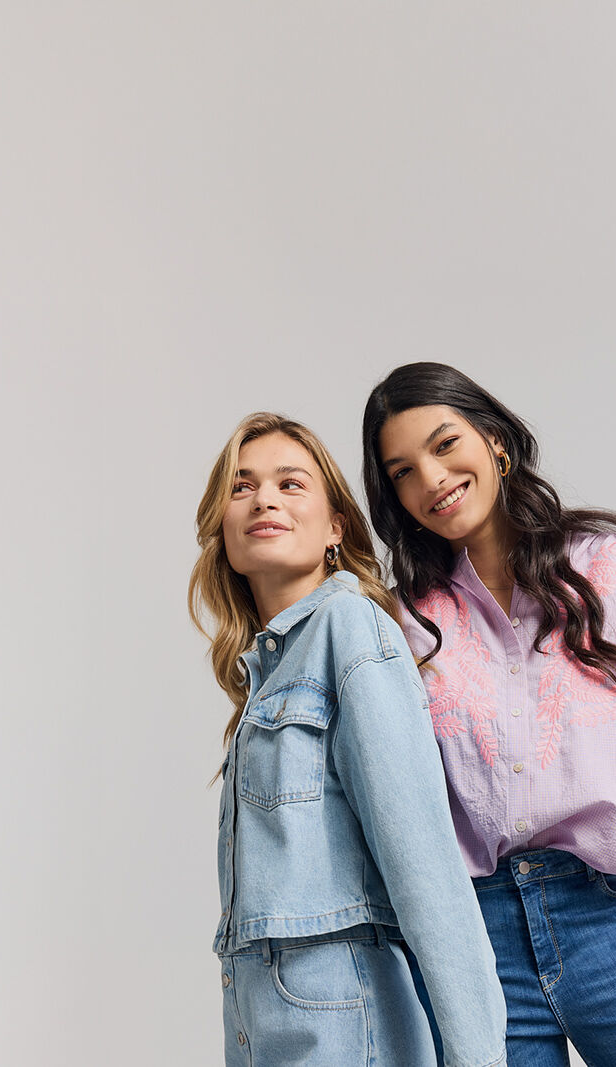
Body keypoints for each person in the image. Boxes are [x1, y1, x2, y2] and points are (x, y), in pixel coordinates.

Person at [361, 362, 616, 1067]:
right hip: (476, 945)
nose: (430, 478)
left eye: (444, 443)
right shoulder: (404, 626)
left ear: (496, 443)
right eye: (401, 471)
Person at [190, 412, 507, 1067]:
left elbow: (427, 869)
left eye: (290, 482)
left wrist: (477, 1056)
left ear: (336, 526)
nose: (265, 498)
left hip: (345, 1031)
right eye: (242, 486)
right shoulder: (266, 673)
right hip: (262, 1031)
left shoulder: (351, 630)